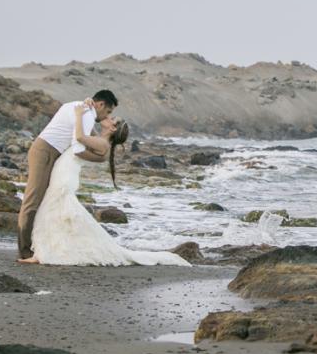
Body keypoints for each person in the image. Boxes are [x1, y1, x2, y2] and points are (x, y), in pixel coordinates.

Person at [20, 102, 191, 267]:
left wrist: (79, 115)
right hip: (63, 173)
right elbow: (89, 129)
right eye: (109, 114)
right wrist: (88, 105)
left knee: (55, 210)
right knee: (54, 212)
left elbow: (79, 137)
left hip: (64, 176)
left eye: (112, 118)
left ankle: (43, 249)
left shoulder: (102, 143)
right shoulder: (99, 139)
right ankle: (45, 246)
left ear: (113, 128)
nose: (108, 117)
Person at [17, 90, 117, 261]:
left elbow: (90, 136)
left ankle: (34, 245)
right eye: (108, 112)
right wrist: (100, 158)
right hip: (46, 152)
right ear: (100, 104)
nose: (106, 116)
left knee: (41, 201)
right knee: (32, 200)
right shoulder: (85, 114)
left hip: (45, 151)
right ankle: (25, 250)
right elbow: (78, 148)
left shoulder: (80, 108)